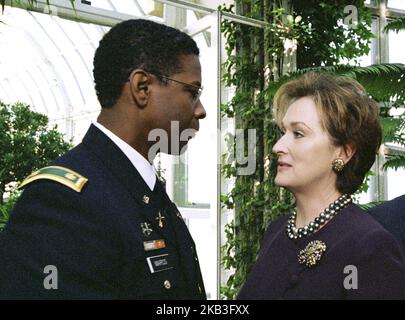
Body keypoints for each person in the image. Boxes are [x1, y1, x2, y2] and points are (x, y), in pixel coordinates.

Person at [0, 19, 207, 299]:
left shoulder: (139, 188)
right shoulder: (60, 201)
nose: (201, 110)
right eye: (192, 92)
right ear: (142, 87)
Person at [237, 72, 405, 300]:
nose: (278, 146)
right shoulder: (276, 231)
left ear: (344, 152)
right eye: (282, 132)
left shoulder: (369, 245)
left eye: (298, 133)